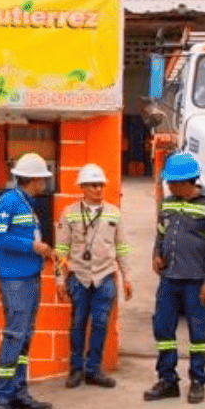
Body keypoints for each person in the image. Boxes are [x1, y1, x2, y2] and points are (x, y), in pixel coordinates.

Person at [145, 151, 205, 405]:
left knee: (198, 334)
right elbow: (161, 232)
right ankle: (168, 380)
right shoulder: (168, 203)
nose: (168, 185)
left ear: (187, 181)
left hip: (196, 282)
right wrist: (156, 254)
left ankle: (198, 381)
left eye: (172, 181)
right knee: (163, 329)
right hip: (169, 279)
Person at [0, 153, 56, 409]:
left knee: (24, 338)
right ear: (33, 179)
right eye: (42, 179)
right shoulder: (9, 201)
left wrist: (40, 250)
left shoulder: (26, 203)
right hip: (15, 280)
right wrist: (31, 247)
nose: (45, 184)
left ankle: (18, 392)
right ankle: (0, 397)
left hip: (30, 276)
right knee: (14, 336)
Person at [57, 163, 132, 389]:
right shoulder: (69, 214)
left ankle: (94, 369)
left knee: (100, 324)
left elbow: (122, 247)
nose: (98, 189)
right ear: (82, 187)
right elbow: (61, 250)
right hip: (79, 276)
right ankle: (76, 369)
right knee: (78, 323)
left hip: (105, 276)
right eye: (93, 185)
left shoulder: (113, 213)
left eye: (101, 185)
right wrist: (60, 280)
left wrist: (127, 277)